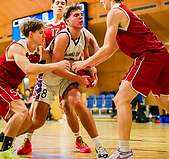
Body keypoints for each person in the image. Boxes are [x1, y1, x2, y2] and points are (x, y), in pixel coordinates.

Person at [72, 0, 169, 158]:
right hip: (162, 54)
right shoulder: (122, 12)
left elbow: (107, 48)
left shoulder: (114, 13)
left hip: (149, 56)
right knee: (163, 102)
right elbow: (111, 50)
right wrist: (90, 64)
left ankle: (124, 152)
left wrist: (85, 63)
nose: (101, 2)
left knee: (120, 100)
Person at [22, 4, 109, 159]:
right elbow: (55, 66)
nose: (81, 17)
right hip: (48, 75)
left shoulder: (83, 32)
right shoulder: (49, 29)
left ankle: (95, 144)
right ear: (53, 6)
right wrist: (79, 78)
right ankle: (17, 139)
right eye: (76, 15)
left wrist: (91, 68)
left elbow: (89, 53)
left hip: (66, 77)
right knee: (37, 119)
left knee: (74, 104)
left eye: (64, 2)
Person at [0, 18, 70, 159]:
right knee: (22, 112)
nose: (44, 36)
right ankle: (4, 150)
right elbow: (28, 68)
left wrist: (85, 65)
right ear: (30, 34)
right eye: (40, 33)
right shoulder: (18, 47)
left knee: (27, 123)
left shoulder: (39, 51)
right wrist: (56, 65)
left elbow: (58, 59)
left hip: (8, 86)